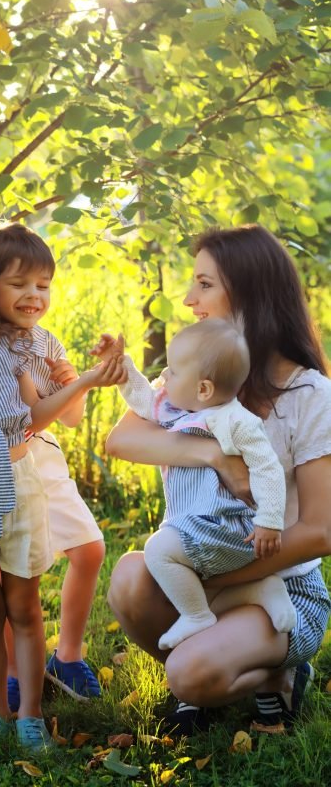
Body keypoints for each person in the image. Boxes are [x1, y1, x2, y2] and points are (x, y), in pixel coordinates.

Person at [105, 225, 331, 734]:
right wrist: (214, 455)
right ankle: (210, 652)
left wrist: (217, 581)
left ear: (249, 290)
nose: (189, 300)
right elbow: (122, 441)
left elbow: (321, 531)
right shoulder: (194, 373)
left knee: (187, 676)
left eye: (204, 284)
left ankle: (279, 674)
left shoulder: (311, 395)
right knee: (127, 579)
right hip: (201, 571)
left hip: (283, 587)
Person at [0, 224, 125, 753]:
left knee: (26, 606)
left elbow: (38, 412)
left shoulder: (8, 342)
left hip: (20, 482)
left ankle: (30, 716)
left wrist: (81, 377)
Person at [92, 319, 296, 651]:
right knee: (198, 581)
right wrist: (121, 365)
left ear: (203, 389)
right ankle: (262, 591)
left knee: (159, 552)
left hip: (226, 526)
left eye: (172, 371)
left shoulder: (238, 421)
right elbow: (143, 399)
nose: (164, 377)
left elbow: (268, 468)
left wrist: (269, 521)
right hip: (196, 526)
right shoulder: (175, 408)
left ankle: (197, 616)